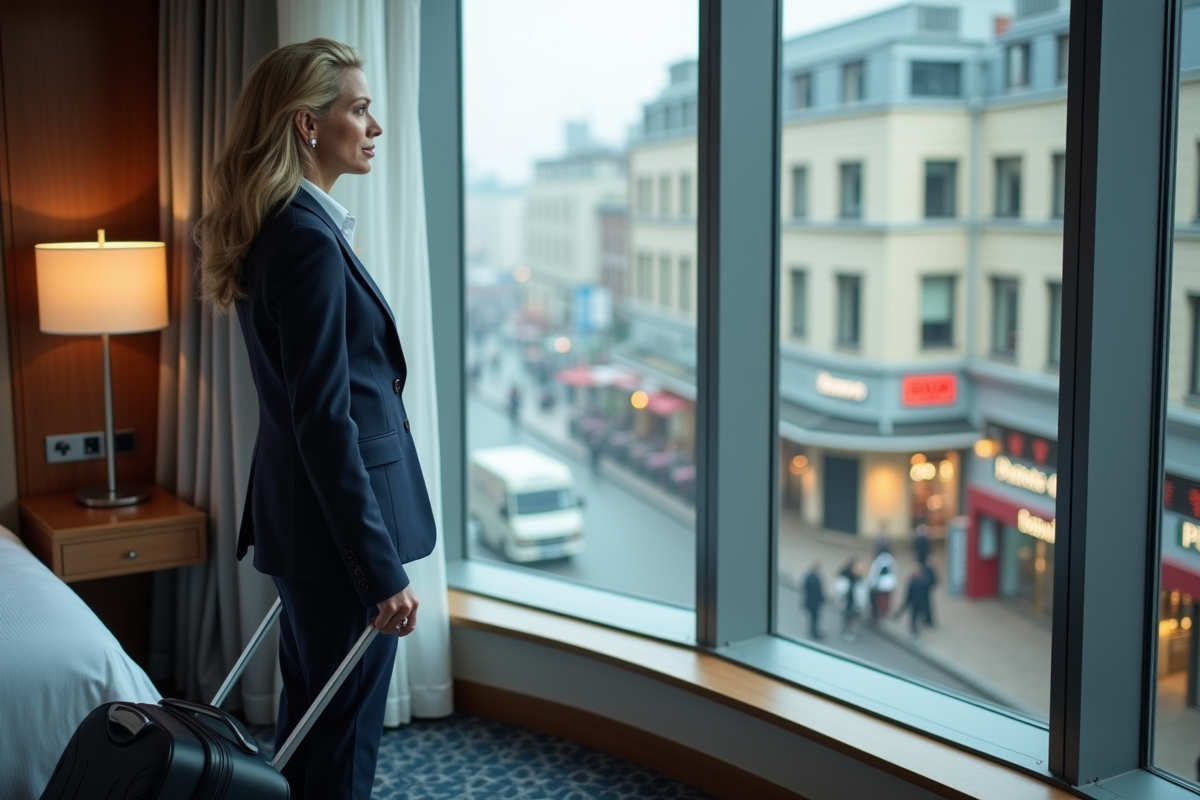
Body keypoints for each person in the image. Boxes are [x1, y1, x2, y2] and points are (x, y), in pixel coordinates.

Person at [195, 39, 437, 800]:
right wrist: (379, 569)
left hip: (307, 529)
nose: (375, 126)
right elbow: (325, 421)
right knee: (340, 745)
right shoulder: (306, 239)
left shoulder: (288, 225)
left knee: (311, 729)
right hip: (341, 542)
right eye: (358, 109)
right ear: (307, 125)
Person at [895, 564, 935, 644]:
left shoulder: (922, 582)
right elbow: (908, 595)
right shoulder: (915, 582)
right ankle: (914, 634)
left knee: (918, 620)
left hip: (921, 604)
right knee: (914, 620)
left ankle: (916, 634)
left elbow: (933, 582)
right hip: (916, 604)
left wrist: (931, 568)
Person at [866, 542, 898, 621]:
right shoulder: (890, 559)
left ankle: (880, 611)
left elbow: (874, 572)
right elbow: (895, 569)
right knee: (886, 598)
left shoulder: (879, 560)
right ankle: (884, 611)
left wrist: (871, 581)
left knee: (880, 598)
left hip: (881, 583)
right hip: (889, 582)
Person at [801, 561, 826, 640]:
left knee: (815, 618)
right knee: (814, 618)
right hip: (813, 603)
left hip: (814, 602)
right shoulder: (812, 577)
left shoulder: (813, 576)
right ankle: (813, 632)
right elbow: (813, 591)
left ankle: (814, 631)